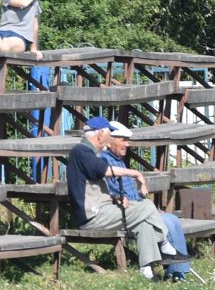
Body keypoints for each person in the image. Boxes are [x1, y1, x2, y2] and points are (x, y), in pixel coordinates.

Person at [64, 115, 180, 278]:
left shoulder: (86, 153)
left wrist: (115, 198)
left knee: (144, 223)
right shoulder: (81, 151)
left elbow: (92, 187)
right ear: (100, 135)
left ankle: (146, 270)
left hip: (103, 211)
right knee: (146, 206)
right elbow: (104, 171)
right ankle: (165, 244)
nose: (109, 137)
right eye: (108, 134)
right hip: (93, 217)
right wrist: (135, 173)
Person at [101, 121, 191, 280]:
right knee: (167, 222)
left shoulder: (118, 160)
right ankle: (175, 269)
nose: (127, 144)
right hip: (123, 212)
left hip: (138, 207)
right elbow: (106, 192)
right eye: (123, 139)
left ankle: (178, 270)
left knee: (173, 219)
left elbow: (132, 192)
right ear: (109, 140)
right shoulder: (103, 161)